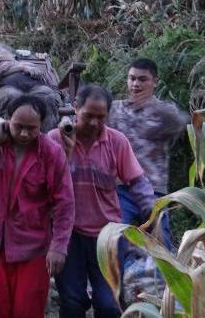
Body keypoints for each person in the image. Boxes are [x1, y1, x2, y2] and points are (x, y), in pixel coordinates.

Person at [0, 95, 75, 318]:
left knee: (28, 311)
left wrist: (59, 247)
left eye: (32, 128)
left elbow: (65, 204)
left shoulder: (51, 153)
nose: (24, 134)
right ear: (7, 120)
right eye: (18, 126)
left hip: (32, 250)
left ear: (41, 126)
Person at [47, 84, 156, 318]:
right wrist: (65, 154)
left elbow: (137, 182)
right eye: (88, 116)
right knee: (73, 302)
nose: (95, 123)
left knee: (108, 304)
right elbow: (44, 185)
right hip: (68, 235)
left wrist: (152, 211)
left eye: (101, 117)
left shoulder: (117, 142)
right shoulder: (56, 138)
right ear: (75, 109)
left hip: (107, 237)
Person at [107, 58, 188, 251]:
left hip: (153, 191)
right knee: (115, 243)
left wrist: (148, 106)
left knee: (163, 246)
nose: (135, 84)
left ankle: (167, 282)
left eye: (142, 79)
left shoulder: (164, 112)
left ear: (155, 81)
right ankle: (115, 281)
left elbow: (181, 121)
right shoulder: (115, 110)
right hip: (121, 189)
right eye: (132, 78)